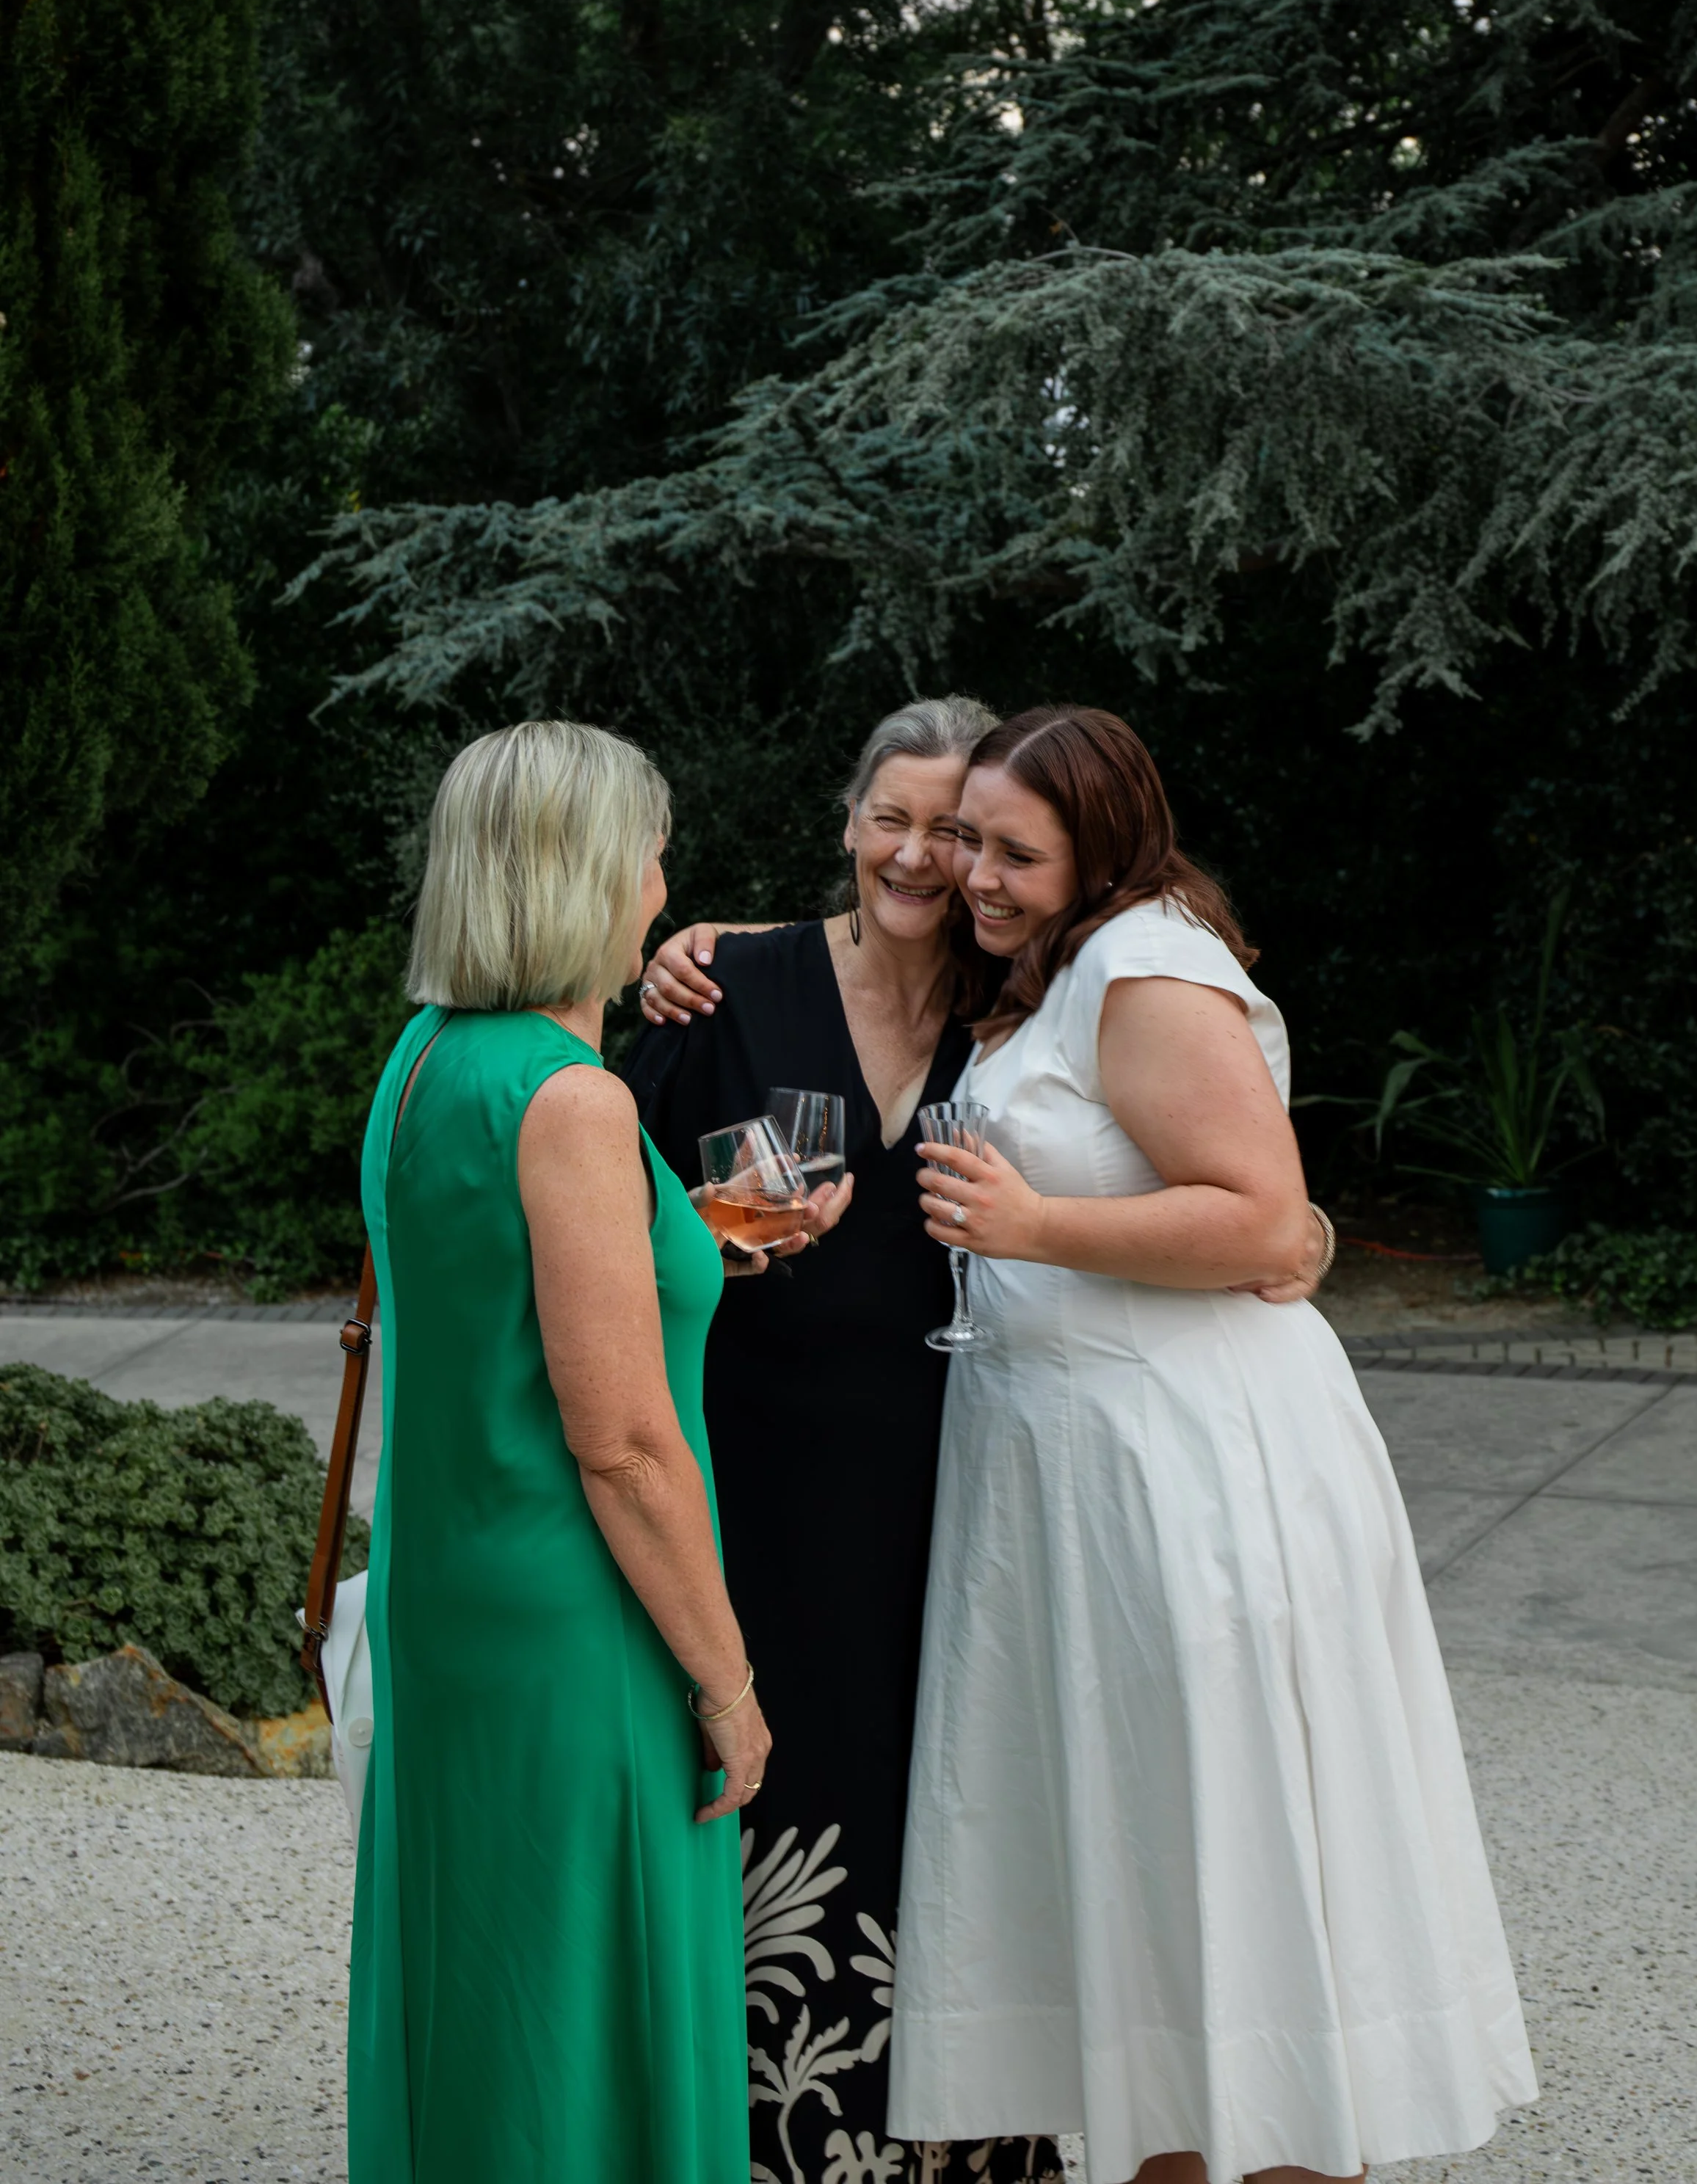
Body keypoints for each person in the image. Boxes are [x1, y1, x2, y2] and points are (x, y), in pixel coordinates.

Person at [888, 705, 1538, 2184]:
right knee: (1147, 1897)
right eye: (967, 837)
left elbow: (1262, 1215)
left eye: (1012, 850)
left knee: (1231, 1890)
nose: (973, 873)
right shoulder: (1049, 963)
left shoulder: (1144, 963)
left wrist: (1033, 1227)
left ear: (1101, 848)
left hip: (1183, 1479)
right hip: (1073, 1477)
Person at [349, 720, 840, 2184]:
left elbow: (488, 1298)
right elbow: (624, 1445)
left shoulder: (427, 1062)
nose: (658, 884)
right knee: (585, 1998)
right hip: (576, 1620)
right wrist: (729, 1683)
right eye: (647, 853)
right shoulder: (574, 1100)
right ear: (581, 877)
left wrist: (696, 1247)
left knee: (482, 1986)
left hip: (450, 1599)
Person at [625, 696, 1061, 2184]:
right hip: (752, 1480)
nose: (921, 855)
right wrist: (703, 1241)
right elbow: (607, 1217)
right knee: (775, 1782)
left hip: (957, 1483)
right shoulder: (722, 988)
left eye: (957, 830)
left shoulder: (1026, 1014)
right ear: (847, 820)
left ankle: (951, 2148)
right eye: (895, 816)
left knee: (938, 1790)